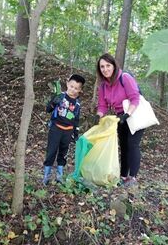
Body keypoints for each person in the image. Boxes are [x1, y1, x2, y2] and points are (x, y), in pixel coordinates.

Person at [95, 53, 144, 187]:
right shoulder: (103, 86)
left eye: (108, 65)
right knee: (123, 146)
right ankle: (123, 177)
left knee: (132, 144)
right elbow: (102, 106)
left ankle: (132, 178)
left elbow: (135, 98)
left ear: (114, 65)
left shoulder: (125, 78)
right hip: (120, 117)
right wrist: (98, 116)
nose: (105, 69)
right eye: (102, 67)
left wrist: (127, 115)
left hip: (134, 114)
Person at [43, 74, 85, 185]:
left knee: (63, 153)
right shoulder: (60, 96)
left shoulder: (77, 104)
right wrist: (54, 102)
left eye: (76, 88)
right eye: (71, 86)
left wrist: (75, 133)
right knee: (51, 151)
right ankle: (46, 176)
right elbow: (48, 109)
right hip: (56, 128)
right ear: (67, 84)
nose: (73, 90)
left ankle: (59, 176)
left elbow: (76, 119)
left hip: (68, 131)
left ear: (80, 90)